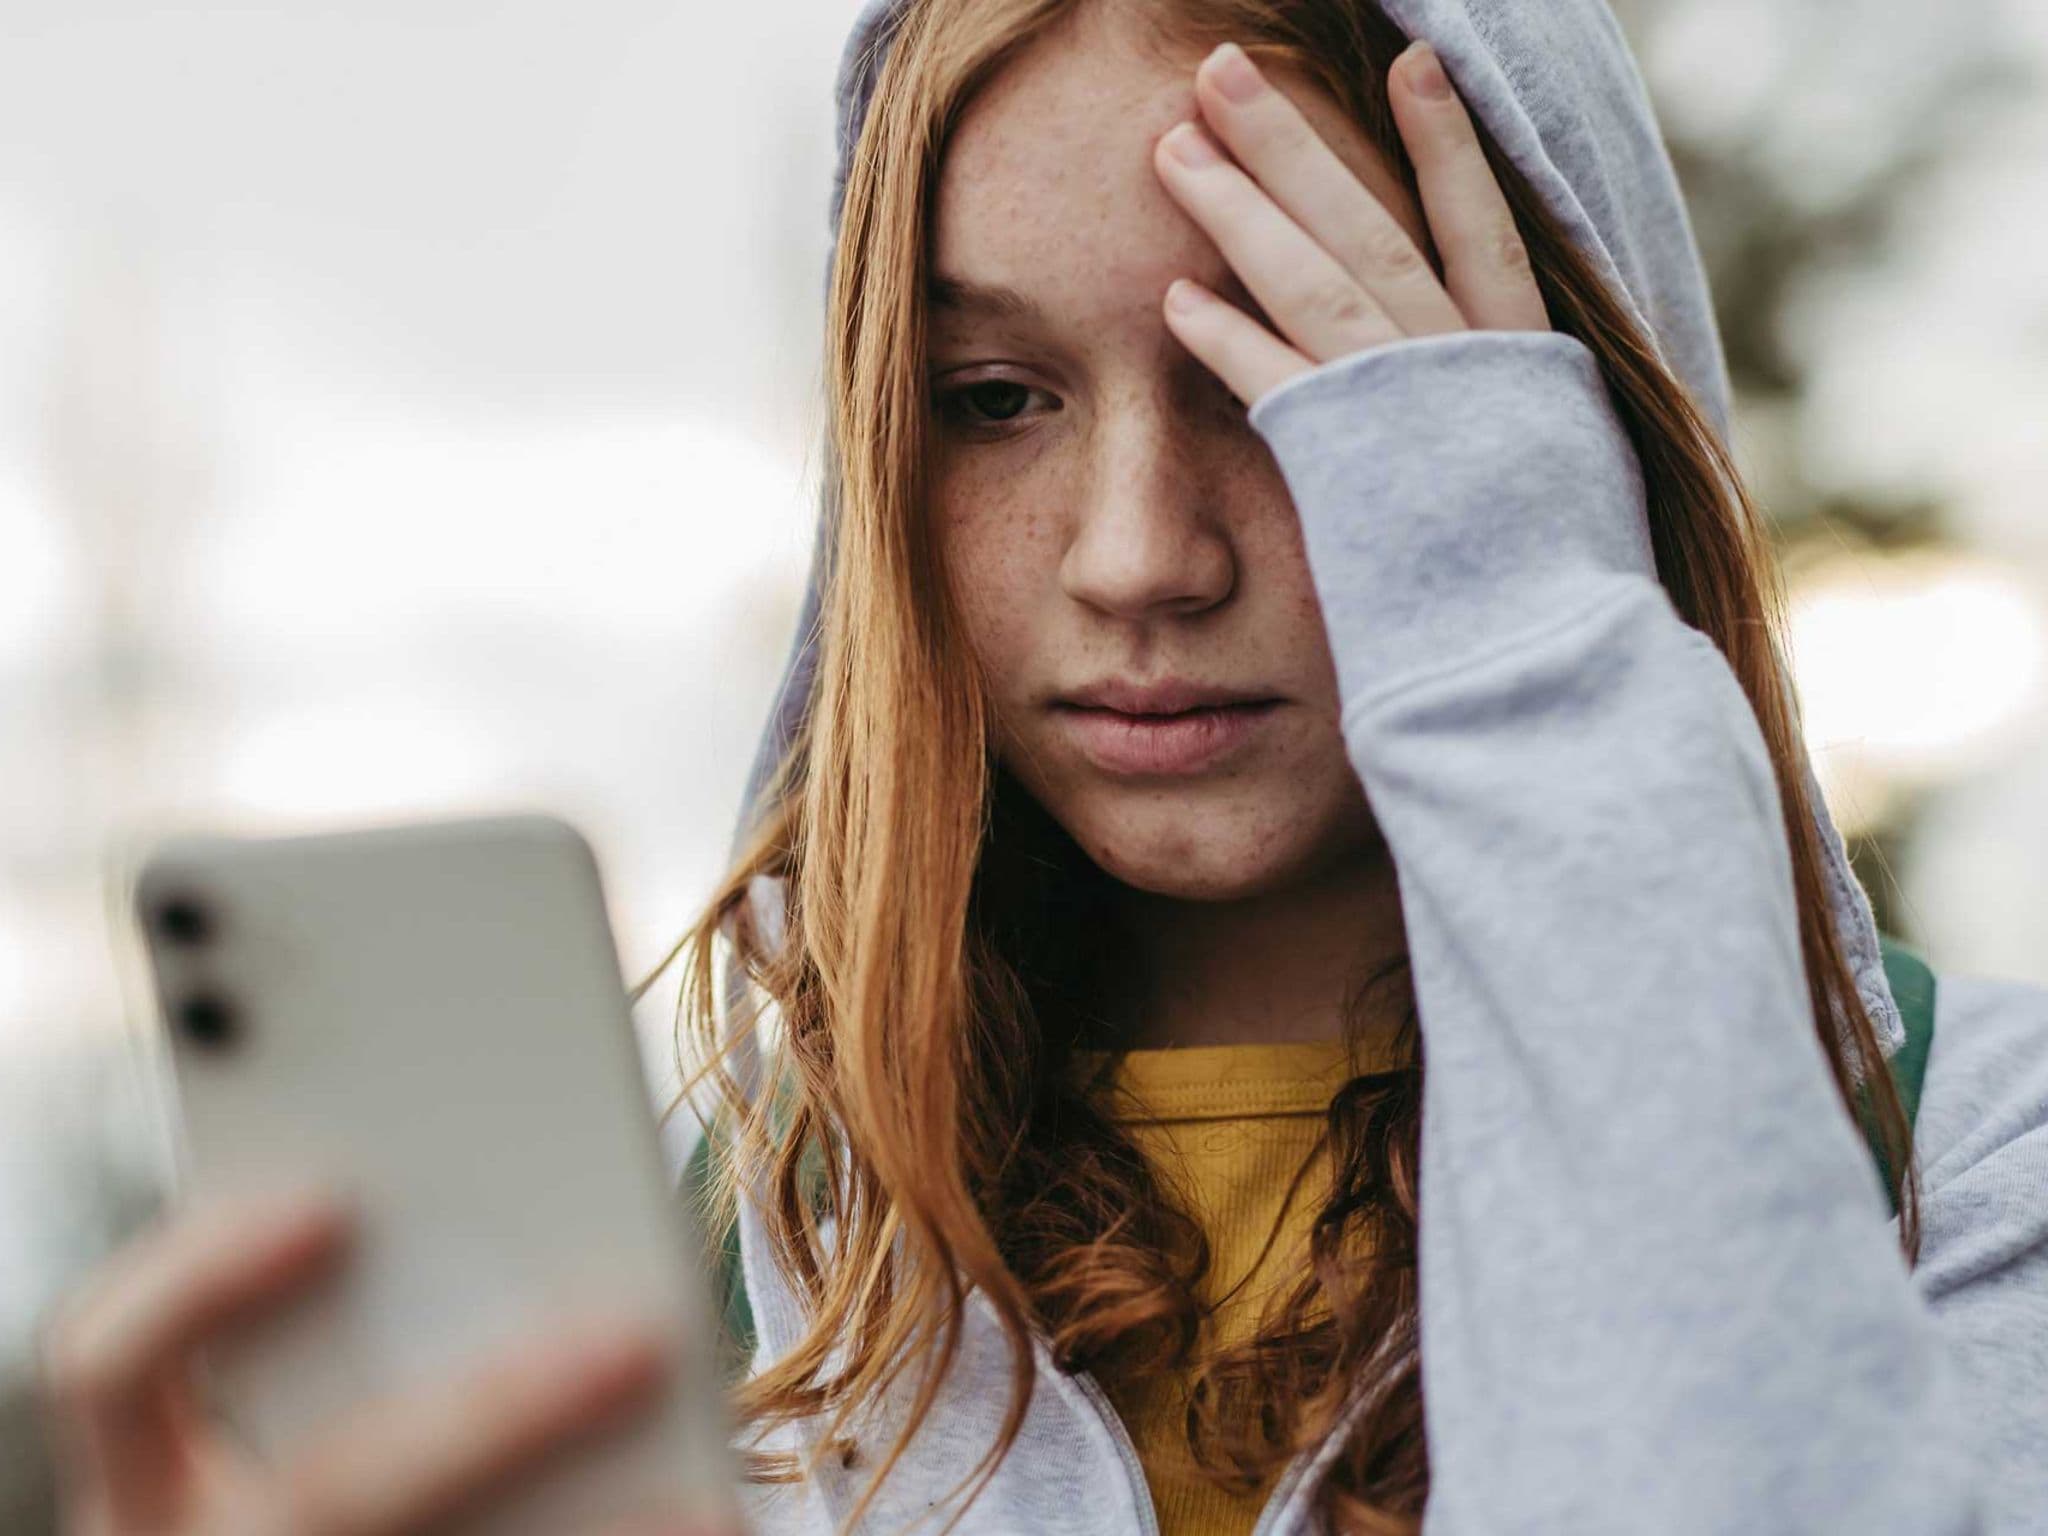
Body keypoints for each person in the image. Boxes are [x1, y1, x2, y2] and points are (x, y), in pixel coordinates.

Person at [37, 1, 2048, 1534]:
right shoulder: (725, 1300)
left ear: (1545, 420)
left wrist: (1513, 626)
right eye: (988, 400)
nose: (1135, 556)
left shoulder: (1982, 1169)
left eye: (1299, 381)